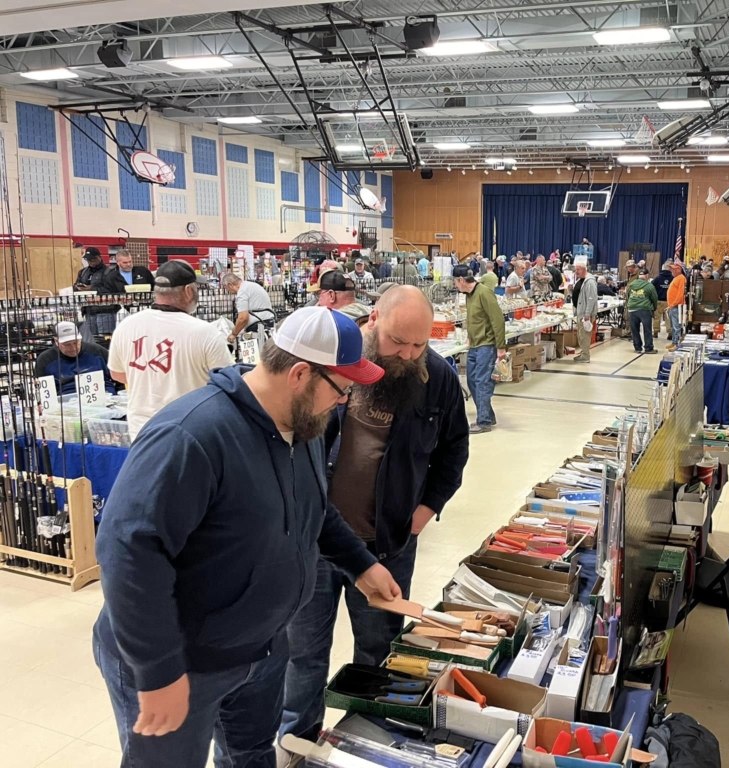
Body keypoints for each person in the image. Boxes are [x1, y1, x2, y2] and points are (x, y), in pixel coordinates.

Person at [93, 306, 400, 768]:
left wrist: (361, 564)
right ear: (300, 374)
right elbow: (127, 552)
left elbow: (313, 510)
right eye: (341, 388)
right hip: (183, 660)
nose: (343, 401)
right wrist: (158, 672)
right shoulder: (191, 434)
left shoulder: (302, 427)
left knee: (251, 756)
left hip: (261, 648)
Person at [281, 286, 469, 741]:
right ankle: (297, 739)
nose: (407, 354)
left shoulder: (438, 379)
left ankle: (368, 737)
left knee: (378, 649)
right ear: (374, 320)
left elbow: (454, 451)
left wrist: (424, 511)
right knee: (303, 651)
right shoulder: (335, 365)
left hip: (387, 544)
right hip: (316, 541)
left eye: (419, 344)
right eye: (397, 341)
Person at [108, 261, 234, 440]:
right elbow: (227, 382)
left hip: (141, 433)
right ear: (188, 291)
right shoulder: (205, 332)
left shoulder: (127, 325)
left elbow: (117, 374)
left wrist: (152, 380)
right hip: (190, 433)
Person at [454, 265, 505, 433]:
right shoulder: (469, 295)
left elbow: (497, 320)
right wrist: (470, 335)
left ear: (461, 280)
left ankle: (483, 422)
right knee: (471, 380)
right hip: (475, 345)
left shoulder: (484, 293)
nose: (455, 285)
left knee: (482, 383)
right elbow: (474, 318)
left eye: (455, 282)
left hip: (486, 345)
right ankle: (488, 415)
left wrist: (501, 347)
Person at [34, 320, 116, 395]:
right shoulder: (45, 360)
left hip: (104, 396)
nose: (73, 348)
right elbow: (43, 392)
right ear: (56, 341)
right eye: (67, 344)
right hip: (66, 401)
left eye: (75, 342)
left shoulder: (98, 351)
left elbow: (118, 377)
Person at [223, 273, 276, 343]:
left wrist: (234, 334)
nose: (230, 292)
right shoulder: (252, 285)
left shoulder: (242, 292)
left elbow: (243, 318)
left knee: (243, 341)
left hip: (256, 328)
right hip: (270, 324)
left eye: (227, 289)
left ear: (230, 285)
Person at [626, 269, 659, 354]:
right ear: (647, 276)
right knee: (647, 329)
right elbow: (654, 298)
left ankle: (637, 348)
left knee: (634, 330)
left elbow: (628, 296)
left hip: (632, 309)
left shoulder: (631, 285)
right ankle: (648, 348)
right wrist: (654, 308)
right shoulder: (649, 286)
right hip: (644, 309)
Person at [572, 258, 598, 363]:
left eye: (578, 269)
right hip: (580, 312)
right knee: (581, 335)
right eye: (575, 269)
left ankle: (586, 356)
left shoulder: (590, 282)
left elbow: (591, 299)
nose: (576, 272)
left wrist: (587, 314)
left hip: (585, 314)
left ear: (584, 269)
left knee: (584, 336)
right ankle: (583, 353)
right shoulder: (580, 280)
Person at [665, 262, 687, 351]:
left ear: (679, 269)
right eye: (671, 269)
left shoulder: (681, 278)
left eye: (674, 269)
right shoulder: (677, 278)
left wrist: (673, 304)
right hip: (673, 306)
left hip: (676, 306)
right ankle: (674, 342)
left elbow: (680, 294)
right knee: (673, 326)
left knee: (676, 326)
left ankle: (676, 344)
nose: (672, 270)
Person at [650, 261, 674, 339]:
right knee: (668, 318)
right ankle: (670, 332)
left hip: (659, 300)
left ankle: (655, 332)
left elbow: (651, 286)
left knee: (657, 317)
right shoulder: (673, 278)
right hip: (669, 301)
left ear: (662, 268)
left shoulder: (658, 277)